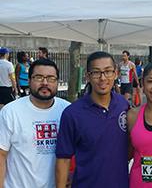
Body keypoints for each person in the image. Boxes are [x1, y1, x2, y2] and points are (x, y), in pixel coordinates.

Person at [56, 51, 129, 188]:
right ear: (88, 76)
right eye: (96, 72)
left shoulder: (123, 105)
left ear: (115, 74)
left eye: (108, 71)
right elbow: (63, 159)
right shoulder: (72, 114)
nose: (102, 78)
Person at [0, 58, 70, 187]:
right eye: (38, 77)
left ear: (57, 82)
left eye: (51, 78)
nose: (45, 83)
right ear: (29, 80)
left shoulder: (68, 111)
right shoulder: (10, 112)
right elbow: (1, 154)